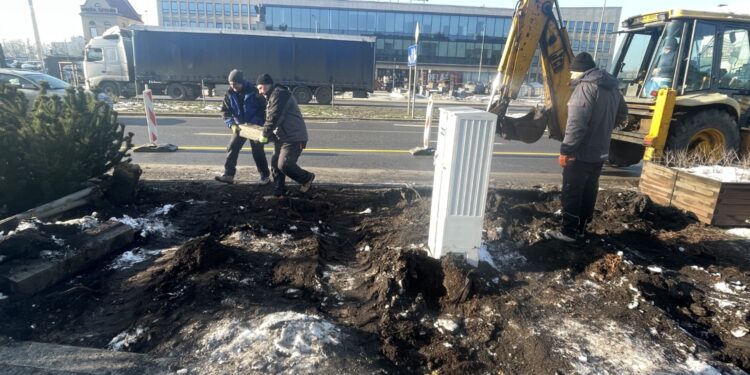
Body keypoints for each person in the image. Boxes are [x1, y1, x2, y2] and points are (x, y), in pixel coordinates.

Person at [547, 52, 628, 243]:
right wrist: (605, 128)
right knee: (589, 190)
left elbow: (576, 123)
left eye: (572, 72)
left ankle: (569, 233)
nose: (570, 77)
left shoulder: (585, 88)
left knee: (572, 191)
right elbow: (623, 114)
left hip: (580, 154)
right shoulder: (612, 88)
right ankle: (582, 229)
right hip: (600, 152)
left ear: (579, 72)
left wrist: (566, 150)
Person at [255, 73, 315, 196]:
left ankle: (307, 178)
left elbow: (274, 117)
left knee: (285, 165)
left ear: (268, 85)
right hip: (282, 137)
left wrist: (265, 133)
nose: (260, 92)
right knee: (275, 165)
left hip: (294, 137)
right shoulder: (272, 96)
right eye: (258, 89)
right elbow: (272, 118)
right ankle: (279, 191)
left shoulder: (280, 95)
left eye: (261, 88)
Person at [215, 69, 270, 185]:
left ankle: (265, 176)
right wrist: (232, 124)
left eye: (235, 84)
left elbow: (264, 110)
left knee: (258, 152)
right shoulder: (229, 93)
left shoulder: (254, 91)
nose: (233, 87)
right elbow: (225, 111)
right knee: (232, 147)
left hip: (255, 126)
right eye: (231, 84)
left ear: (242, 82)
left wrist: (254, 123)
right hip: (240, 126)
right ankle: (228, 174)